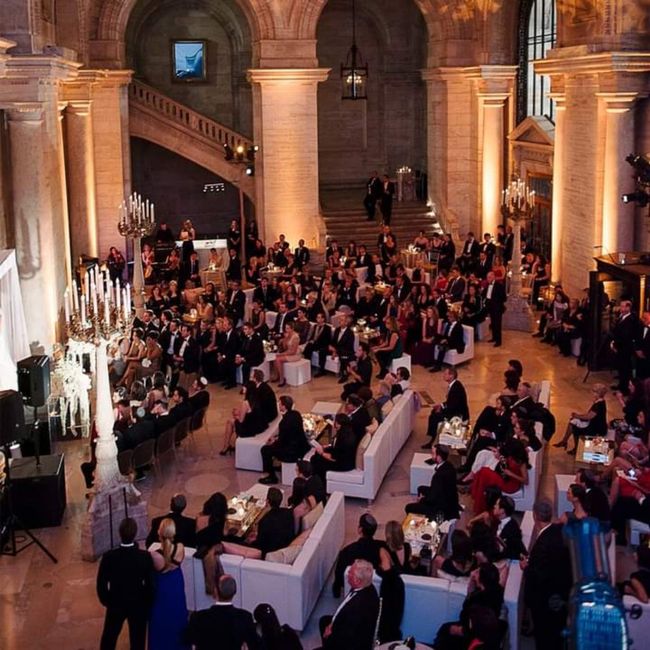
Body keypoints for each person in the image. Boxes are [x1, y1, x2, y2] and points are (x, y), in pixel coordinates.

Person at [520, 499, 572, 649]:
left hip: (545, 600)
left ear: (535, 516)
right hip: (560, 594)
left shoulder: (543, 542)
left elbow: (539, 576)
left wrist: (526, 567)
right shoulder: (557, 531)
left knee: (545, 637)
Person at [96, 518, 155, 650]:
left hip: (116, 602)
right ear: (135, 533)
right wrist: (146, 601)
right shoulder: (144, 557)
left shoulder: (109, 557)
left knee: (109, 638)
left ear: (120, 533)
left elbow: (101, 584)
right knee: (138, 640)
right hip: (138, 603)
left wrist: (107, 601)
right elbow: (151, 584)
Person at [432, 562, 503, 650]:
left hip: (474, 633)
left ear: (482, 578)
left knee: (445, 629)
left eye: (477, 572)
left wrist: (470, 593)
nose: (474, 573)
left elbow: (466, 617)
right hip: (488, 632)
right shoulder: (498, 590)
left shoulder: (478, 599)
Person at [185, 574, 260, 650]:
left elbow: (189, 642)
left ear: (216, 592)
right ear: (234, 592)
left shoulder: (198, 618)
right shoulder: (245, 618)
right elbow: (254, 644)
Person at [320, 559, 380, 649]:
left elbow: (346, 639)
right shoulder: (368, 587)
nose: (348, 572)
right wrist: (332, 623)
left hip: (350, 642)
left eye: (350, 573)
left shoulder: (357, 608)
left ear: (357, 581)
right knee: (324, 620)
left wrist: (330, 633)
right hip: (349, 627)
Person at [148, 519, 189, 650]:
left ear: (159, 532)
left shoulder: (154, 556)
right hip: (176, 584)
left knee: (161, 619)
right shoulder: (180, 548)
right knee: (178, 615)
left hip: (162, 587)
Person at [260, 395, 309, 485]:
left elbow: (282, 442)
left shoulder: (284, 422)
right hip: (302, 447)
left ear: (283, 406)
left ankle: (271, 476)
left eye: (279, 403)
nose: (278, 405)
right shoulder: (296, 414)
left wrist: (273, 441)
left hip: (291, 453)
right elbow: (290, 434)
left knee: (265, 450)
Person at [332, 514, 383, 597]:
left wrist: (336, 590)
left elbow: (340, 576)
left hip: (353, 589)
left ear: (360, 530)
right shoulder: (381, 548)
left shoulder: (347, 551)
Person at [471, 439, 529, 514]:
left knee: (484, 472)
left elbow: (526, 481)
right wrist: (500, 457)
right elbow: (505, 463)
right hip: (505, 478)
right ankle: (478, 498)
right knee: (482, 472)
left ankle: (479, 505)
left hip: (511, 485)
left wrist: (511, 474)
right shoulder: (511, 456)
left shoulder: (521, 462)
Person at [406, 444, 460, 521]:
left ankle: (425, 516)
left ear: (439, 457)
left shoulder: (439, 476)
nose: (431, 455)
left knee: (408, 507)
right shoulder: (449, 465)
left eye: (433, 453)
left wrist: (422, 499)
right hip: (446, 497)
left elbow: (433, 498)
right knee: (421, 488)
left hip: (441, 507)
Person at [553, 383, 608, 455]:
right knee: (572, 422)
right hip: (595, 424)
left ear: (597, 393)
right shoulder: (600, 402)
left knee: (575, 428)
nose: (592, 393)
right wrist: (578, 416)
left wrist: (577, 416)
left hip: (596, 428)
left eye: (594, 392)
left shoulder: (598, 405)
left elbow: (589, 416)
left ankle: (573, 447)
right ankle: (564, 441)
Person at [424, 366, 469, 447]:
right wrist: (441, 405)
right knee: (434, 412)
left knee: (435, 416)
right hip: (454, 410)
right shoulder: (454, 385)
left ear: (451, 376)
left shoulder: (456, 388)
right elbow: (450, 402)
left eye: (445, 374)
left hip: (457, 415)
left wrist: (441, 410)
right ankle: (433, 437)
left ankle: (433, 440)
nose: (443, 375)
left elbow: (453, 406)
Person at [311, 412, 359, 484]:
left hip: (343, 464)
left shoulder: (343, 438)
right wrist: (328, 447)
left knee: (316, 460)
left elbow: (334, 458)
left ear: (338, 424)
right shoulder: (347, 432)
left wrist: (322, 453)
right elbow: (337, 448)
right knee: (317, 455)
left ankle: (321, 483)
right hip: (346, 459)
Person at [252, 487, 295, 557]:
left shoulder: (264, 521)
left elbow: (260, 545)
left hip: (270, 552)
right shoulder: (288, 512)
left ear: (268, 501)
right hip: (286, 546)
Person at [610, 299, 640, 394]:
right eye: (621, 306)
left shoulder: (631, 319)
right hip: (620, 346)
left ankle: (625, 388)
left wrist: (617, 343)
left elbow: (626, 335)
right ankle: (621, 385)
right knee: (620, 367)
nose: (621, 308)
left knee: (625, 368)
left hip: (626, 348)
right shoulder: (621, 317)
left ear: (628, 307)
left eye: (623, 306)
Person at [493, 495, 526, 560]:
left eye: (496, 505)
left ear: (502, 511)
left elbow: (514, 549)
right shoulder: (499, 521)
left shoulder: (511, 529)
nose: (494, 506)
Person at [303, 311, 332, 377]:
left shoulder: (327, 328)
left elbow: (328, 340)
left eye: (319, 317)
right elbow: (311, 336)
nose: (317, 319)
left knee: (322, 351)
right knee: (308, 346)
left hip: (322, 344)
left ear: (323, 319)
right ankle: (307, 365)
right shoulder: (315, 326)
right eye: (317, 317)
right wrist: (310, 341)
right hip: (315, 343)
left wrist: (316, 342)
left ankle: (322, 370)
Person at [482, 271, 507, 347]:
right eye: (487, 277)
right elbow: (486, 295)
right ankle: (494, 338)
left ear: (493, 277)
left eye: (489, 277)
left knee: (497, 324)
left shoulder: (499, 286)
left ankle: (498, 341)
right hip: (490, 307)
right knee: (492, 324)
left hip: (497, 308)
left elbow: (504, 298)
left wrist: (496, 302)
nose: (488, 279)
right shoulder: (487, 286)